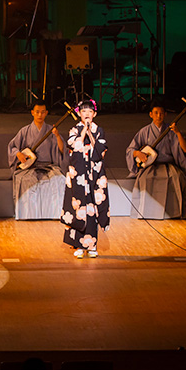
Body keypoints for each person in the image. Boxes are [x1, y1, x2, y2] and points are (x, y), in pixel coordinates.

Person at [126, 99, 186, 219]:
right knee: (145, 178)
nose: (159, 116)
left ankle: (174, 212)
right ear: (151, 114)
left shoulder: (171, 131)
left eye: (161, 113)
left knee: (176, 178)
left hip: (168, 165)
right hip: (151, 166)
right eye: (156, 113)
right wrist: (138, 153)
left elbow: (184, 149)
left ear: (165, 114)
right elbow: (130, 149)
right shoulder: (145, 131)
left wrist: (178, 133)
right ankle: (146, 212)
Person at [61, 99, 109, 258]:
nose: (87, 114)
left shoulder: (98, 130)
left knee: (92, 209)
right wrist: (83, 133)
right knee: (78, 208)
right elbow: (73, 147)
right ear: (79, 114)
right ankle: (78, 246)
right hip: (78, 175)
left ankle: (92, 245)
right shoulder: (74, 130)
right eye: (84, 112)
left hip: (93, 175)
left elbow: (100, 151)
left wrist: (90, 134)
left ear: (94, 114)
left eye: (90, 112)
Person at [7, 101, 66, 219]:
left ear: (46, 113)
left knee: (59, 179)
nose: (40, 115)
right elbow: (12, 147)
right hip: (30, 167)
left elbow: (61, 149)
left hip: (48, 166)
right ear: (32, 113)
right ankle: (28, 215)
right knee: (26, 180)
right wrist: (18, 154)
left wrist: (58, 136)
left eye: (43, 112)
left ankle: (54, 214)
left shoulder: (51, 130)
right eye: (37, 112)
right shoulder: (25, 131)